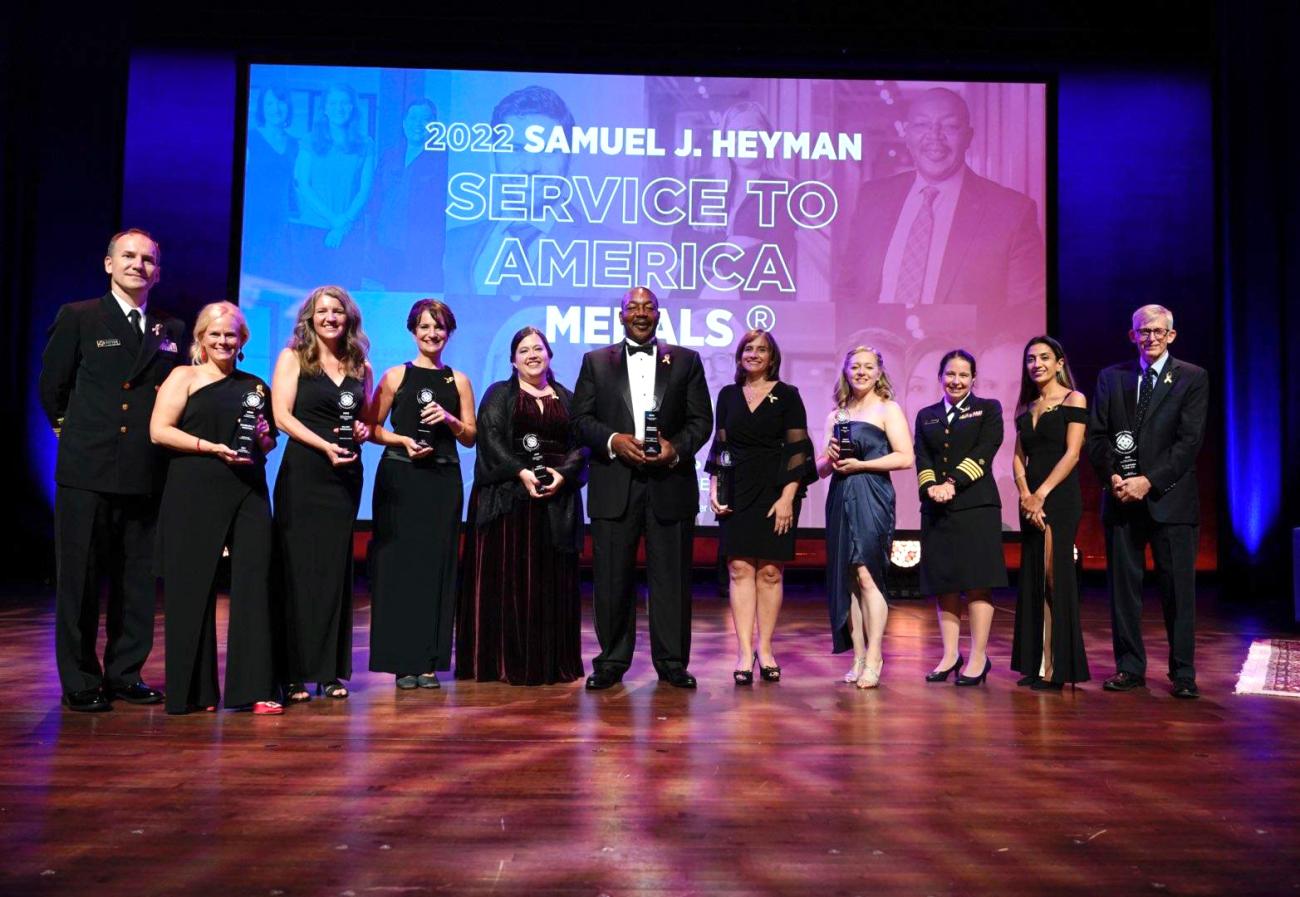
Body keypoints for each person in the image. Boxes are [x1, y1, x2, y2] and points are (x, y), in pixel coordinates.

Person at [39, 229, 187, 712]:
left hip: (144, 471)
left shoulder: (171, 330)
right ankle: (81, 679)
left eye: (148, 260)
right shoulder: (79, 317)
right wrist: (73, 434)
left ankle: (126, 673)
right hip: (87, 469)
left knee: (137, 581)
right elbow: (52, 388)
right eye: (128, 256)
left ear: (158, 272)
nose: (137, 265)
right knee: (79, 578)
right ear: (108, 264)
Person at [571, 286, 713, 689]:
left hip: (670, 483)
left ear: (658, 314)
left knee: (672, 580)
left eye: (648, 307)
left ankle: (672, 663)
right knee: (612, 580)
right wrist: (615, 441)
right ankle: (612, 662)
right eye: (632, 307)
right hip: (614, 484)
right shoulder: (595, 362)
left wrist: (675, 449)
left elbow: (701, 421)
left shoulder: (686, 360)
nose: (640, 313)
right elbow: (580, 420)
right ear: (620, 316)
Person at [149, 303, 282, 715]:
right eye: (216, 334)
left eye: (232, 335)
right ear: (201, 338)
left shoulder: (256, 385)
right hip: (194, 489)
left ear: (243, 341)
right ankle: (193, 692)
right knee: (191, 589)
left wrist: (261, 436)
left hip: (248, 491)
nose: (224, 341)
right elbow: (159, 431)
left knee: (255, 586)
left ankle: (255, 689)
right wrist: (209, 447)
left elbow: (269, 442)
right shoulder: (183, 377)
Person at [1086, 305, 1208, 699]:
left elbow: (1188, 443)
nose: (1150, 337)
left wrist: (1149, 481)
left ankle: (1183, 673)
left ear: (1171, 335)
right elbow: (1098, 437)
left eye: (1158, 331)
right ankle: (1129, 668)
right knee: (1124, 591)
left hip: (1171, 502)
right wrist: (1115, 478)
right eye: (1143, 331)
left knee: (1178, 592)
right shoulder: (1112, 377)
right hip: (1122, 500)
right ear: (1132, 335)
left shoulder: (1192, 377)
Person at [457, 326, 588, 685]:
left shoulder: (567, 396)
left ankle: (550, 662)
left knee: (550, 584)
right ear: (513, 360)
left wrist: (562, 474)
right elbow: (490, 438)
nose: (532, 354)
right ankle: (505, 662)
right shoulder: (499, 394)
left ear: (549, 354)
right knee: (509, 583)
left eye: (539, 348)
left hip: (555, 500)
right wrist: (521, 473)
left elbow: (583, 444)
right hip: (508, 503)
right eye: (524, 350)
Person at [836, 87, 1044, 308]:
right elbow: (849, 289)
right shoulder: (873, 198)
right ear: (906, 133)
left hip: (965, 343)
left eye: (950, 126)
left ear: (968, 136)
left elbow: (1027, 311)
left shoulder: (1011, 213)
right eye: (922, 125)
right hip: (874, 341)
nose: (934, 136)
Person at [366, 299, 475, 690]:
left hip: (442, 482)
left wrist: (449, 420)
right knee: (399, 569)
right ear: (413, 330)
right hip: (401, 477)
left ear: (449, 333)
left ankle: (428, 661)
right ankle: (401, 662)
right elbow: (371, 428)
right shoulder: (396, 376)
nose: (433, 333)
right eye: (425, 326)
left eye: (440, 327)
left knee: (436, 569)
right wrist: (404, 441)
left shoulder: (457, 380)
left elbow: (470, 437)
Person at [271, 285, 372, 703]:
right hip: (305, 474)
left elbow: (363, 419)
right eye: (322, 311)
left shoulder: (359, 365)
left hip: (344, 477)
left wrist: (363, 431)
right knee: (296, 571)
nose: (330, 317)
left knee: (333, 573)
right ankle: (293, 672)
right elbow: (280, 417)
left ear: (349, 318)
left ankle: (329, 672)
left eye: (338, 311)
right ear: (309, 317)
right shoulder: (293, 357)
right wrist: (324, 445)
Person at [706, 329, 815, 685]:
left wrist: (788, 497)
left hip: (776, 490)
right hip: (737, 488)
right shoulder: (727, 395)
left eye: (762, 349)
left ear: (772, 357)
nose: (754, 354)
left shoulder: (788, 396)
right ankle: (743, 652)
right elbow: (721, 446)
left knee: (769, 571)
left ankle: (765, 649)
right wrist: (714, 487)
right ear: (739, 356)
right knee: (739, 568)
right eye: (748, 349)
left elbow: (798, 449)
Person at [815, 346, 913, 688]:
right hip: (841, 496)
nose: (860, 372)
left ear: (878, 372)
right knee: (850, 580)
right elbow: (822, 470)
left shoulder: (888, 408)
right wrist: (828, 459)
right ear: (845, 371)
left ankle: (875, 658)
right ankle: (858, 658)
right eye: (855, 366)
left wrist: (863, 465)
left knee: (867, 574)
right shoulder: (836, 415)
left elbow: (905, 457)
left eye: (868, 367)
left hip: (872, 495)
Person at [914, 349, 1007, 686]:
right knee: (945, 582)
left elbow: (986, 450)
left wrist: (952, 482)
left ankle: (978, 656)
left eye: (963, 375)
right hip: (938, 507)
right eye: (950, 374)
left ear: (973, 379)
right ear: (941, 377)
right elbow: (922, 457)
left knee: (977, 581)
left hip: (977, 506)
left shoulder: (988, 409)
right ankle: (950, 654)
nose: (956, 380)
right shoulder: (926, 415)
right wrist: (932, 488)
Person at [1009, 336, 1090, 691]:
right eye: (1030, 358)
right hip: (1031, 502)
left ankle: (1055, 667)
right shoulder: (1026, 407)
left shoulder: (1074, 399)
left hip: (1058, 499)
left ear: (1059, 362)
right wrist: (1026, 495)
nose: (1036, 363)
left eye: (1044, 357)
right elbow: (1017, 458)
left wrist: (1041, 494)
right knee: (1032, 579)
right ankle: (1034, 663)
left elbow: (1073, 454)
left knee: (1053, 578)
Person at [292, 84, 376, 287]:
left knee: (347, 298)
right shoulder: (309, 140)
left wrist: (343, 223)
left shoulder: (366, 143)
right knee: (312, 296)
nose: (339, 108)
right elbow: (302, 184)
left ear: (353, 108)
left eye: (345, 103)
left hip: (349, 231)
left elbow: (365, 190)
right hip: (312, 228)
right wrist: (334, 220)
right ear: (325, 109)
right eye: (333, 103)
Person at [369, 98, 446, 291]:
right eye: (413, 118)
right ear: (404, 122)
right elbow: (376, 197)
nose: (418, 125)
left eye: (425, 119)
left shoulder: (443, 158)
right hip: (387, 243)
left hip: (422, 248)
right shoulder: (389, 155)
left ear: (435, 125)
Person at [243, 86, 299, 280]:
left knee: (280, 275)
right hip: (253, 219)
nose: (275, 108)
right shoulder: (249, 138)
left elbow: (295, 184)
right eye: (269, 103)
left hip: (282, 219)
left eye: (280, 102)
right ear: (262, 108)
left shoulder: (295, 144)